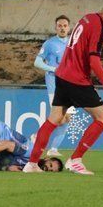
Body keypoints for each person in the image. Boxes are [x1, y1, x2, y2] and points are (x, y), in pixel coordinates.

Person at [23, 0, 103, 175]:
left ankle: (33, 163)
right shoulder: (98, 27)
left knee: (55, 118)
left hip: (63, 76)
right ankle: (75, 160)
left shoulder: (87, 18)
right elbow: (94, 60)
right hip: (77, 79)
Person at [34, 15, 71, 157]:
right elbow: (37, 63)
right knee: (59, 118)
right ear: (56, 27)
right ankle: (36, 138)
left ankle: (53, 149)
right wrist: (54, 69)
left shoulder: (72, 43)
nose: (62, 28)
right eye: (60, 25)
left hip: (70, 86)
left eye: (65, 25)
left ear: (69, 27)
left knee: (67, 119)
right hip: (54, 85)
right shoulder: (49, 43)